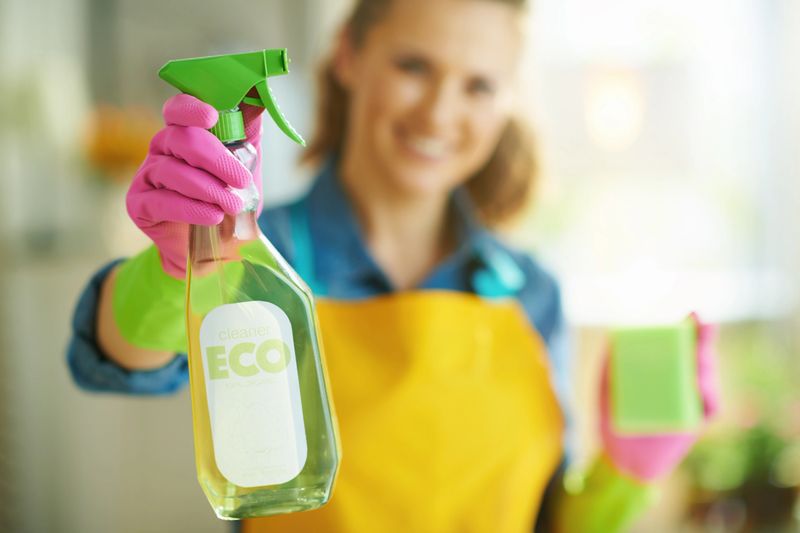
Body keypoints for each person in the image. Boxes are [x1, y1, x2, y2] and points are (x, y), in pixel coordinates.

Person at [67, 0, 718, 531]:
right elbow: (114, 363)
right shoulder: (261, 255)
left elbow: (547, 520)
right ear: (349, 54)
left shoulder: (530, 292)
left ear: (506, 100)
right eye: (414, 65)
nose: (438, 111)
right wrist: (177, 268)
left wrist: (627, 474)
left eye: (479, 84)